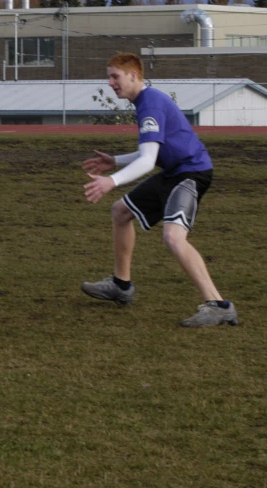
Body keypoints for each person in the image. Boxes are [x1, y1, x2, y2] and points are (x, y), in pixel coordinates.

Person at [80, 52, 238, 327]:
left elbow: (147, 160)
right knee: (120, 212)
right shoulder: (146, 101)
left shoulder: (149, 105)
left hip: (191, 173)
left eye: (115, 76)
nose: (110, 82)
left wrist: (112, 181)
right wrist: (115, 161)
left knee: (174, 237)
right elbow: (151, 151)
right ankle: (121, 285)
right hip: (174, 171)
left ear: (133, 76)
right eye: (109, 76)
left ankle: (219, 305)